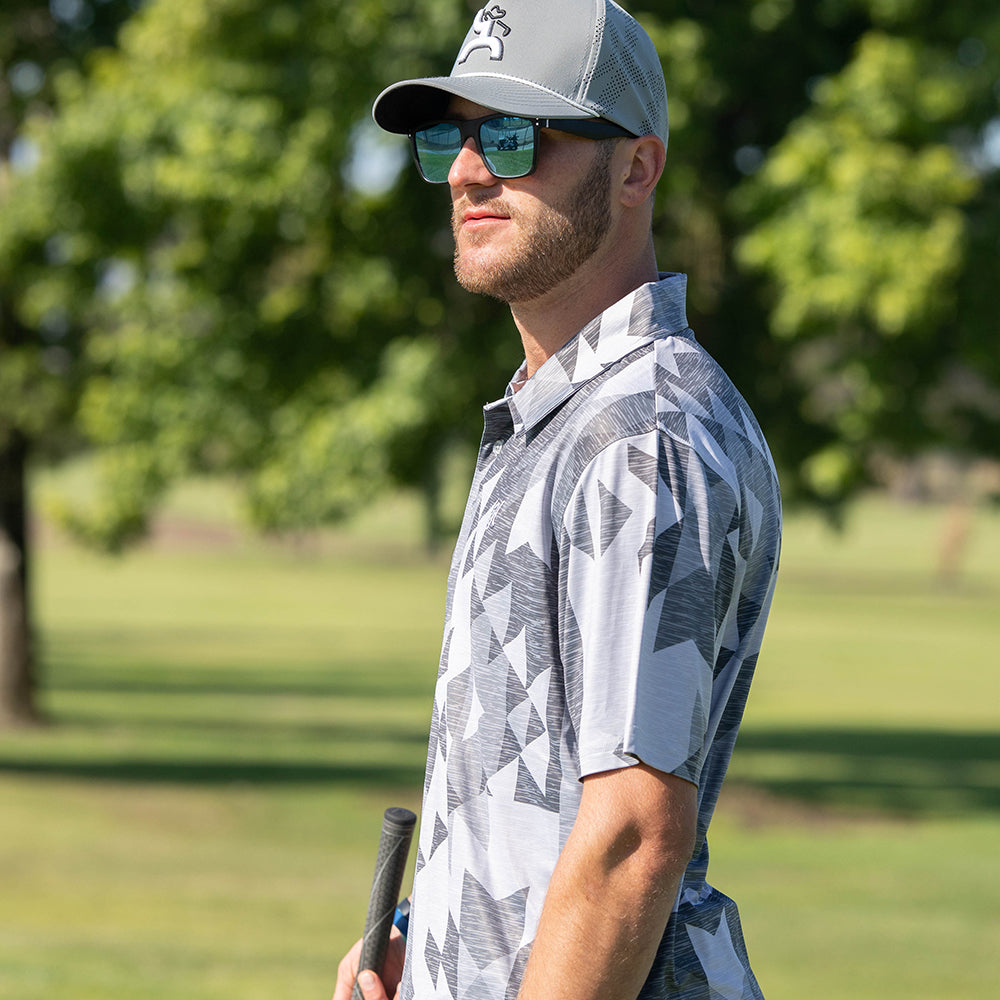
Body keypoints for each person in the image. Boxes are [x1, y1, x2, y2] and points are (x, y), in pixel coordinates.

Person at [334, 2, 781, 999]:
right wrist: (432, 938)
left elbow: (631, 835)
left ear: (635, 169)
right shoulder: (558, 419)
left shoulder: (641, 433)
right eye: (449, 136)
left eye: (513, 135)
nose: (464, 170)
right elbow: (529, 794)